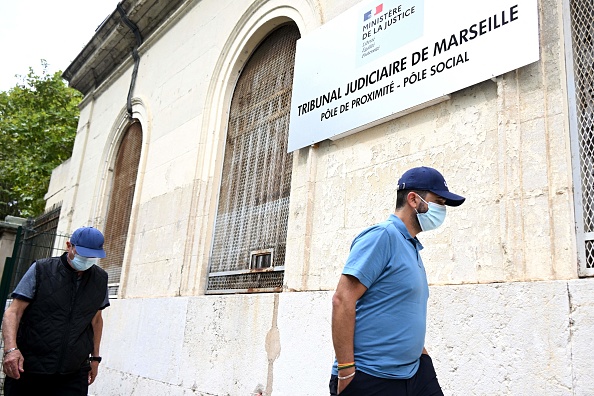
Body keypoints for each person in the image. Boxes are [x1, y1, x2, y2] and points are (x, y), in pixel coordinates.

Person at [330, 166, 465, 396]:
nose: (441, 209)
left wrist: (421, 355)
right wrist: (346, 371)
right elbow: (342, 300)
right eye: (438, 201)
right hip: (372, 376)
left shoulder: (411, 246)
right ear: (413, 199)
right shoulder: (382, 236)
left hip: (415, 372)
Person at [2, 226, 110, 396]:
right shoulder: (41, 270)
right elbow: (13, 312)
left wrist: (95, 358)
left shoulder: (100, 279)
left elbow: (96, 320)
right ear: (69, 246)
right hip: (29, 369)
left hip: (73, 374)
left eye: (92, 256)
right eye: (83, 254)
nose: (88, 259)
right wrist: (10, 349)